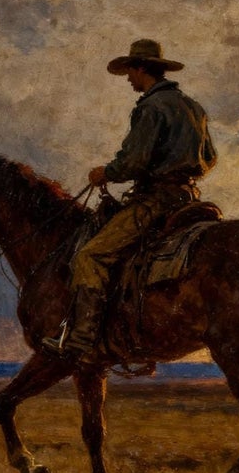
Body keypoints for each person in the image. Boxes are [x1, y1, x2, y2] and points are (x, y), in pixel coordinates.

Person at [46, 38, 217, 359]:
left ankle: (83, 337)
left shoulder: (151, 108)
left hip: (155, 201)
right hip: (189, 200)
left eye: (130, 72)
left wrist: (105, 173)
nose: (128, 79)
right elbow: (210, 157)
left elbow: (134, 162)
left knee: (90, 255)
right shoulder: (192, 107)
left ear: (141, 69)